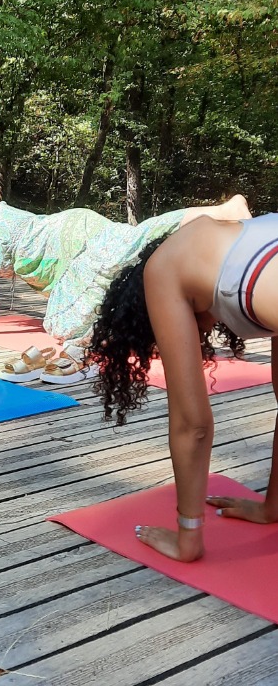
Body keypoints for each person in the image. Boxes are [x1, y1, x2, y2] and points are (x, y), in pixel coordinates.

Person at [87, 212, 278, 562]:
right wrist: (272, 509)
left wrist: (188, 538)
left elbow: (194, 427)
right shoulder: (238, 245)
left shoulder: (162, 270)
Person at [0, 176, 252, 384]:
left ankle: (224, 210)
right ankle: (217, 228)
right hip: (72, 228)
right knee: (132, 254)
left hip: (70, 238)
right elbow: (6, 249)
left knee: (134, 243)